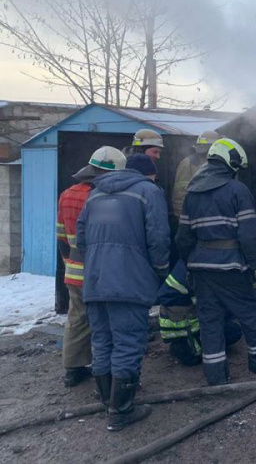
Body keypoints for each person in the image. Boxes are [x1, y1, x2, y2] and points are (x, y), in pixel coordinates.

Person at [76, 146, 171, 431]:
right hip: (128, 281)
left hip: (95, 280)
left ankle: (108, 402)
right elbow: (159, 237)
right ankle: (121, 410)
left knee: (102, 342)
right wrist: (159, 270)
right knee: (128, 342)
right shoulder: (147, 192)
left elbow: (81, 238)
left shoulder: (95, 195)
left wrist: (97, 262)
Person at [176, 137, 256, 386]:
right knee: (249, 311)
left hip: (201, 267)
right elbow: (249, 234)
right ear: (230, 162)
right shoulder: (237, 190)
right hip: (231, 266)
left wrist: (189, 265)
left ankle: (215, 375)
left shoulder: (192, 193)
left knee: (210, 319)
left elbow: (182, 237)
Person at [55, 147, 123, 387]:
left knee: (77, 318)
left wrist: (68, 262)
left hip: (74, 268)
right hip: (100, 270)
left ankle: (73, 369)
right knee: (107, 320)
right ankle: (109, 376)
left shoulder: (67, 194)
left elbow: (61, 235)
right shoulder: (101, 197)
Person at [156, 259, 243, 366]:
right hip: (185, 324)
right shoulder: (200, 269)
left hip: (178, 323)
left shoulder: (191, 260)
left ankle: (189, 343)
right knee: (233, 331)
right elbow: (209, 305)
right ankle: (192, 345)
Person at [172, 130, 221, 217]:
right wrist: (183, 219)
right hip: (195, 217)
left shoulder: (218, 164)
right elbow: (180, 195)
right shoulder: (188, 163)